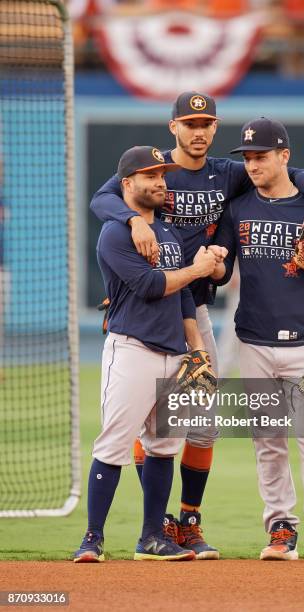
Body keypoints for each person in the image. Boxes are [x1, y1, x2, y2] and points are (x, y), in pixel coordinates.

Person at [90, 91, 304, 558]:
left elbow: (293, 172)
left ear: (215, 128)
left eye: (206, 123)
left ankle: (188, 520)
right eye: (189, 122)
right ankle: (156, 524)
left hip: (194, 308)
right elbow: (105, 196)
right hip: (150, 308)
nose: (198, 131)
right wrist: (134, 222)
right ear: (173, 127)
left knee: (199, 424)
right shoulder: (158, 169)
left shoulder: (230, 172)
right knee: (152, 424)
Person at [211, 117, 304, 562]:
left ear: (283, 156)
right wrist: (211, 263)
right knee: (267, 441)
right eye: (247, 157)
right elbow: (223, 270)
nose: (252, 164)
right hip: (252, 341)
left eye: (261, 156)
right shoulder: (238, 208)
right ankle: (280, 527)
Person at [74, 145, 221, 562]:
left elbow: (186, 300)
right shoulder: (116, 233)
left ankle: (152, 538)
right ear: (127, 184)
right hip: (132, 348)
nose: (160, 181)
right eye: (150, 175)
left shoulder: (170, 233)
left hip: (175, 352)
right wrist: (198, 267)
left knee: (163, 446)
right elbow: (152, 286)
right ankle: (92, 538)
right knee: (114, 444)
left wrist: (197, 349)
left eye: (162, 174)